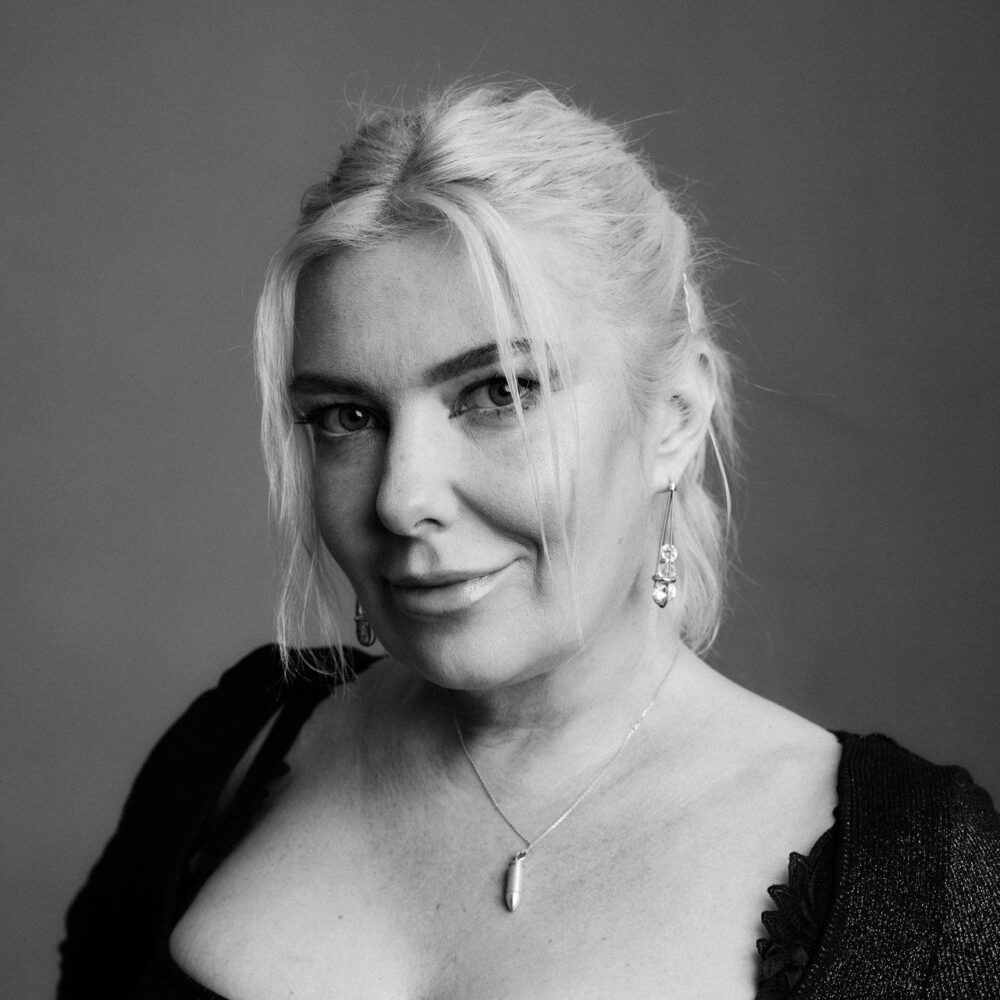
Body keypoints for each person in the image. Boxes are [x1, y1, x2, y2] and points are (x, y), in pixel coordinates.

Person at [58, 82, 1000, 1000]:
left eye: (499, 393)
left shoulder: (917, 884)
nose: (401, 498)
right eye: (346, 416)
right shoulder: (233, 745)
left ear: (675, 416)